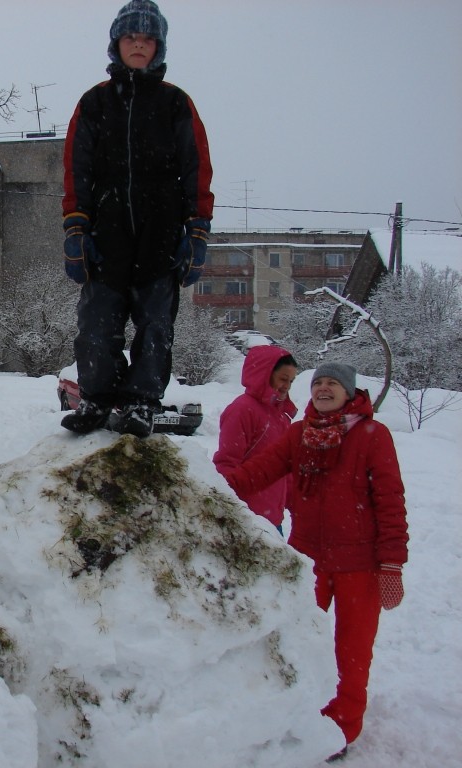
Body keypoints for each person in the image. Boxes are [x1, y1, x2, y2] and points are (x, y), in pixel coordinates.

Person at [220, 362, 408, 758]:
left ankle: (340, 728)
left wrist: (392, 563)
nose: (323, 388)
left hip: (361, 564)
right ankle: (303, 712)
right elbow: (258, 472)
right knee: (302, 642)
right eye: (318, 382)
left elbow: (390, 501)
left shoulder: (373, 435)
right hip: (308, 561)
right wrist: (211, 485)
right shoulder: (299, 434)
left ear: (350, 392)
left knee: (351, 650)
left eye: (333, 384)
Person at [60, 0, 214, 437]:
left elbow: (196, 168)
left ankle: (142, 402)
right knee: (96, 326)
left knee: (155, 327)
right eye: (131, 37)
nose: (139, 45)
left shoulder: (175, 103)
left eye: (147, 39)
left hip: (160, 236)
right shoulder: (94, 103)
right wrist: (76, 226)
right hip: (106, 238)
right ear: (117, 44)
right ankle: (98, 398)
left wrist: (196, 231)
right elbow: (77, 168)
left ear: (158, 46)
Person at [213, 345, 299, 533]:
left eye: (291, 381)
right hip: (248, 521)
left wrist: (298, 505)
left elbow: (286, 470)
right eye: (283, 379)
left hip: (273, 521)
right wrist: (232, 512)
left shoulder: (281, 416)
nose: (287, 386)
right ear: (265, 374)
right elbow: (226, 464)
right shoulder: (242, 410)